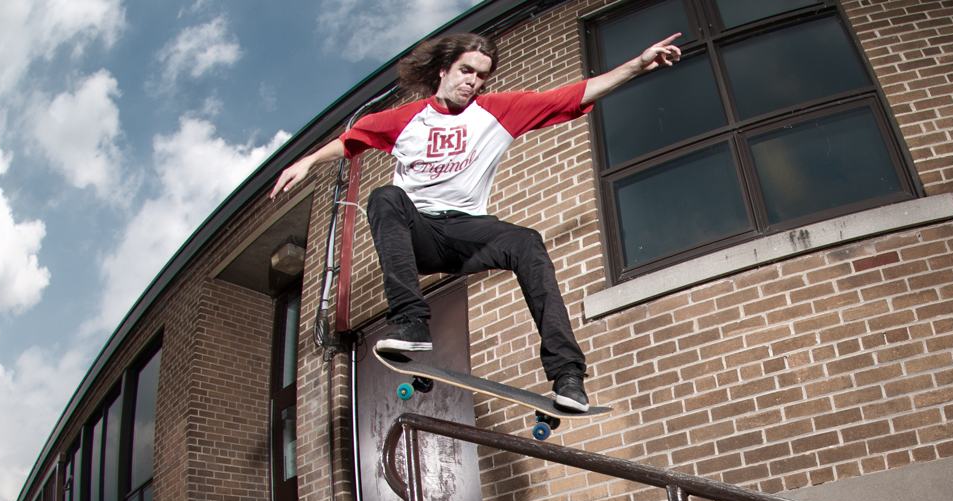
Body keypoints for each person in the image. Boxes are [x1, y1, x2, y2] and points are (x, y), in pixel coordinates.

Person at [271, 31, 682, 412]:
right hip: (421, 236)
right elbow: (349, 141)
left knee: (527, 241)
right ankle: (411, 322)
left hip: (469, 233)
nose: (473, 82)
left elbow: (569, 95)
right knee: (385, 198)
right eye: (466, 71)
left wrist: (637, 64)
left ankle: (568, 375)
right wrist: (306, 162)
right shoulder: (405, 120)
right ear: (443, 70)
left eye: (481, 76)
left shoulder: (498, 112)